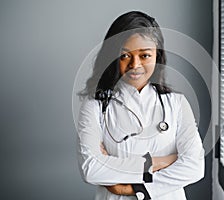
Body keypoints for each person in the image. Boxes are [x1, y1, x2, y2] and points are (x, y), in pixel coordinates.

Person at [77, 11, 205, 200]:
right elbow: (91, 169)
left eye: (144, 55)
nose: (135, 65)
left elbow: (194, 167)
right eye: (125, 56)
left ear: (157, 55)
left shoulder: (177, 104)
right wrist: (157, 162)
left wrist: (133, 189)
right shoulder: (95, 106)